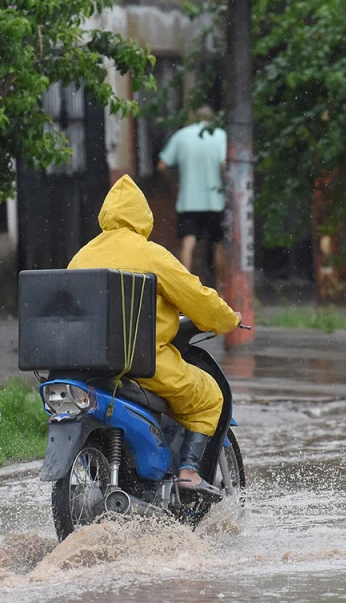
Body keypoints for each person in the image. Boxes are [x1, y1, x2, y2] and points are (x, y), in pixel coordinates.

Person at [68, 175, 241, 490]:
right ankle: (189, 473)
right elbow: (196, 297)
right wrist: (228, 319)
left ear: (105, 215)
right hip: (141, 363)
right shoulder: (149, 253)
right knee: (208, 396)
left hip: (85, 364)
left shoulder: (81, 256)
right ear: (143, 216)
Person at [157, 106, 227, 287]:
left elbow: (162, 166)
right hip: (215, 201)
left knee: (188, 243)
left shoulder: (181, 136)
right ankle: (220, 287)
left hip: (188, 201)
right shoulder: (220, 135)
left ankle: (185, 288)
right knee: (217, 243)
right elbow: (225, 166)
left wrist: (174, 184)